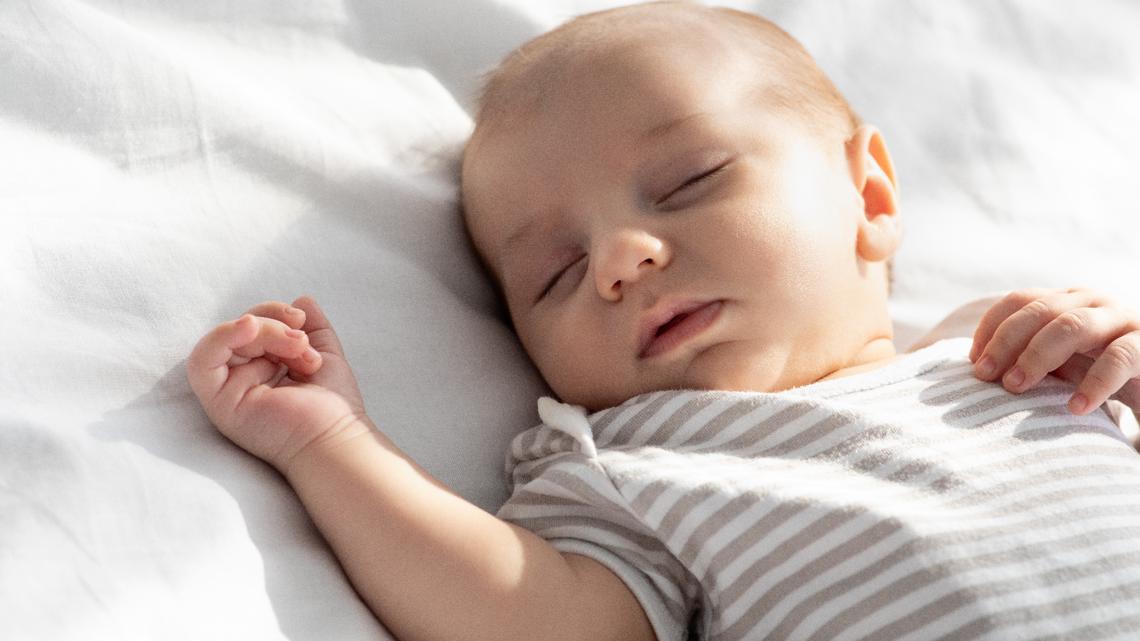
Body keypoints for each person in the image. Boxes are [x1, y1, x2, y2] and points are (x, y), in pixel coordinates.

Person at [187, 3, 1140, 640]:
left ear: (871, 196)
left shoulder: (1009, 347)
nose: (618, 259)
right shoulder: (634, 472)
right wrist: (332, 444)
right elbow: (524, 619)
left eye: (690, 181)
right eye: (556, 273)